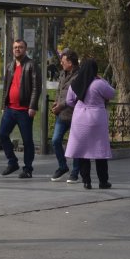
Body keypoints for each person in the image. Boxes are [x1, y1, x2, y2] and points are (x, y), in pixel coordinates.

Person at [64, 59, 116, 189]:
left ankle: (86, 181)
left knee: (83, 151)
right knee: (100, 151)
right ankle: (103, 181)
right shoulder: (98, 84)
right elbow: (112, 93)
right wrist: (103, 80)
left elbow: (69, 101)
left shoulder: (75, 84)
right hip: (96, 118)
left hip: (80, 118)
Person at [0, 39, 42, 178]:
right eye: (15, 47)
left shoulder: (32, 65)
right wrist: (3, 105)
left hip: (24, 110)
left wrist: (32, 106)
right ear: (12, 49)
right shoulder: (10, 66)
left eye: (20, 47)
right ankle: (12, 162)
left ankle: (28, 169)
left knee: (27, 140)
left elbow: (36, 87)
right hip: (10, 109)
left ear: (25, 49)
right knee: (2, 134)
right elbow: (5, 87)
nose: (17, 49)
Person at [50, 49, 81, 181]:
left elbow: (75, 96)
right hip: (62, 114)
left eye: (63, 61)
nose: (61, 63)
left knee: (76, 144)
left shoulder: (79, 75)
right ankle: (62, 166)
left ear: (70, 62)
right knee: (55, 140)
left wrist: (61, 105)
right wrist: (56, 102)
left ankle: (75, 172)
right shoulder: (63, 73)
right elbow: (59, 90)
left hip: (75, 114)